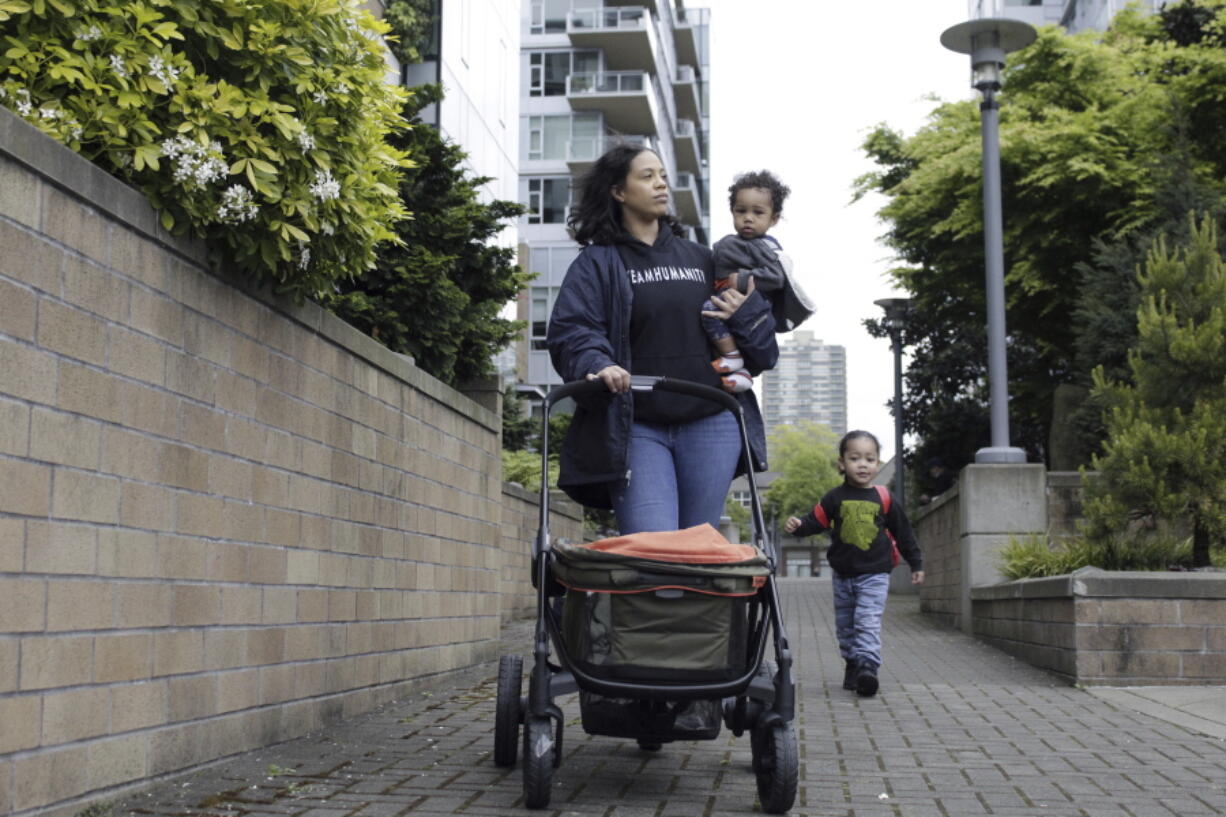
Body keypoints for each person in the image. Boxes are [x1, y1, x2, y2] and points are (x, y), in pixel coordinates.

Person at [546, 145, 779, 535]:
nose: (661, 185)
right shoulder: (598, 263)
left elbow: (763, 352)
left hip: (712, 421)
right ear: (619, 191)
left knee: (697, 549)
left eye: (663, 176)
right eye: (647, 176)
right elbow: (574, 331)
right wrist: (598, 364)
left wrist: (747, 311)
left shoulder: (707, 259)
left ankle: (703, 599)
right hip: (636, 425)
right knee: (652, 549)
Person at [784, 430, 923, 697]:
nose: (863, 464)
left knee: (867, 621)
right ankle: (852, 665)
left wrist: (916, 563)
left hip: (875, 574)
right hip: (843, 575)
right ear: (842, 463)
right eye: (855, 458)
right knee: (846, 626)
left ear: (877, 464)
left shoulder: (884, 498)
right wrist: (798, 526)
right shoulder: (834, 497)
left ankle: (868, 668)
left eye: (870, 459)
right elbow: (815, 522)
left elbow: (904, 532)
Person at [703, 171, 814, 392]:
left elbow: (776, 276)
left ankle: (733, 359)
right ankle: (740, 370)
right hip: (727, 297)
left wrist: (742, 278)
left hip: (749, 304)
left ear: (773, 219)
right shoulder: (732, 242)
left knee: (709, 312)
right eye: (741, 211)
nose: (748, 218)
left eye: (758, 212)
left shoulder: (764, 246)